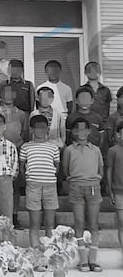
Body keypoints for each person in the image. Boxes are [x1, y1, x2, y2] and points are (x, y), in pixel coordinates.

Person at [63, 117, 103, 273]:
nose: (81, 132)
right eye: (77, 129)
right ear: (72, 132)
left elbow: (100, 168)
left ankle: (93, 260)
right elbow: (65, 168)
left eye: (84, 129)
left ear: (88, 131)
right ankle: (83, 260)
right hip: (76, 188)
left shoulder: (96, 149)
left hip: (93, 187)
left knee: (93, 224)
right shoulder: (69, 150)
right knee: (79, 223)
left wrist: (98, 177)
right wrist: (70, 178)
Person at [19, 115, 60, 254]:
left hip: (50, 186)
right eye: (37, 128)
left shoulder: (53, 147)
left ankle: (50, 255)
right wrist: (29, 178)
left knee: (50, 224)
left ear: (47, 129)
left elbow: (57, 166)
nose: (40, 131)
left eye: (43, 127)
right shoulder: (26, 147)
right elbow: (22, 166)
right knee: (34, 223)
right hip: (33, 186)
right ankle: (36, 256)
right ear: (32, 129)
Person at [0, 83, 27, 228]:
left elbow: (24, 133)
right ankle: (0, 216)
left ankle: (14, 215)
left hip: (15, 151)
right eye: (5, 93)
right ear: (0, 96)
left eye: (11, 93)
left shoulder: (22, 114)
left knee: (15, 186)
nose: (8, 96)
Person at [107, 121, 123, 255]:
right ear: (118, 134)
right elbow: (109, 170)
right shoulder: (113, 151)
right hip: (119, 191)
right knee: (122, 222)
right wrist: (110, 190)